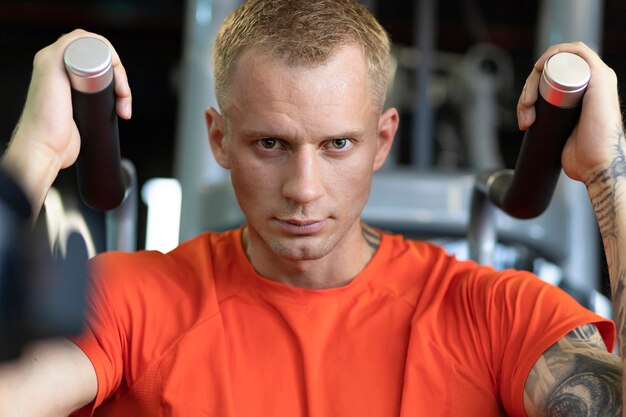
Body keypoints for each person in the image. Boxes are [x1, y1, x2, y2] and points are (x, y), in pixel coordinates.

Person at [0, 0, 624, 415]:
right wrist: (37, 150)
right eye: (271, 143)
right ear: (219, 139)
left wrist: (607, 173)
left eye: (337, 145)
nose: (304, 187)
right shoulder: (128, 303)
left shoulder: (496, 314)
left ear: (382, 140)